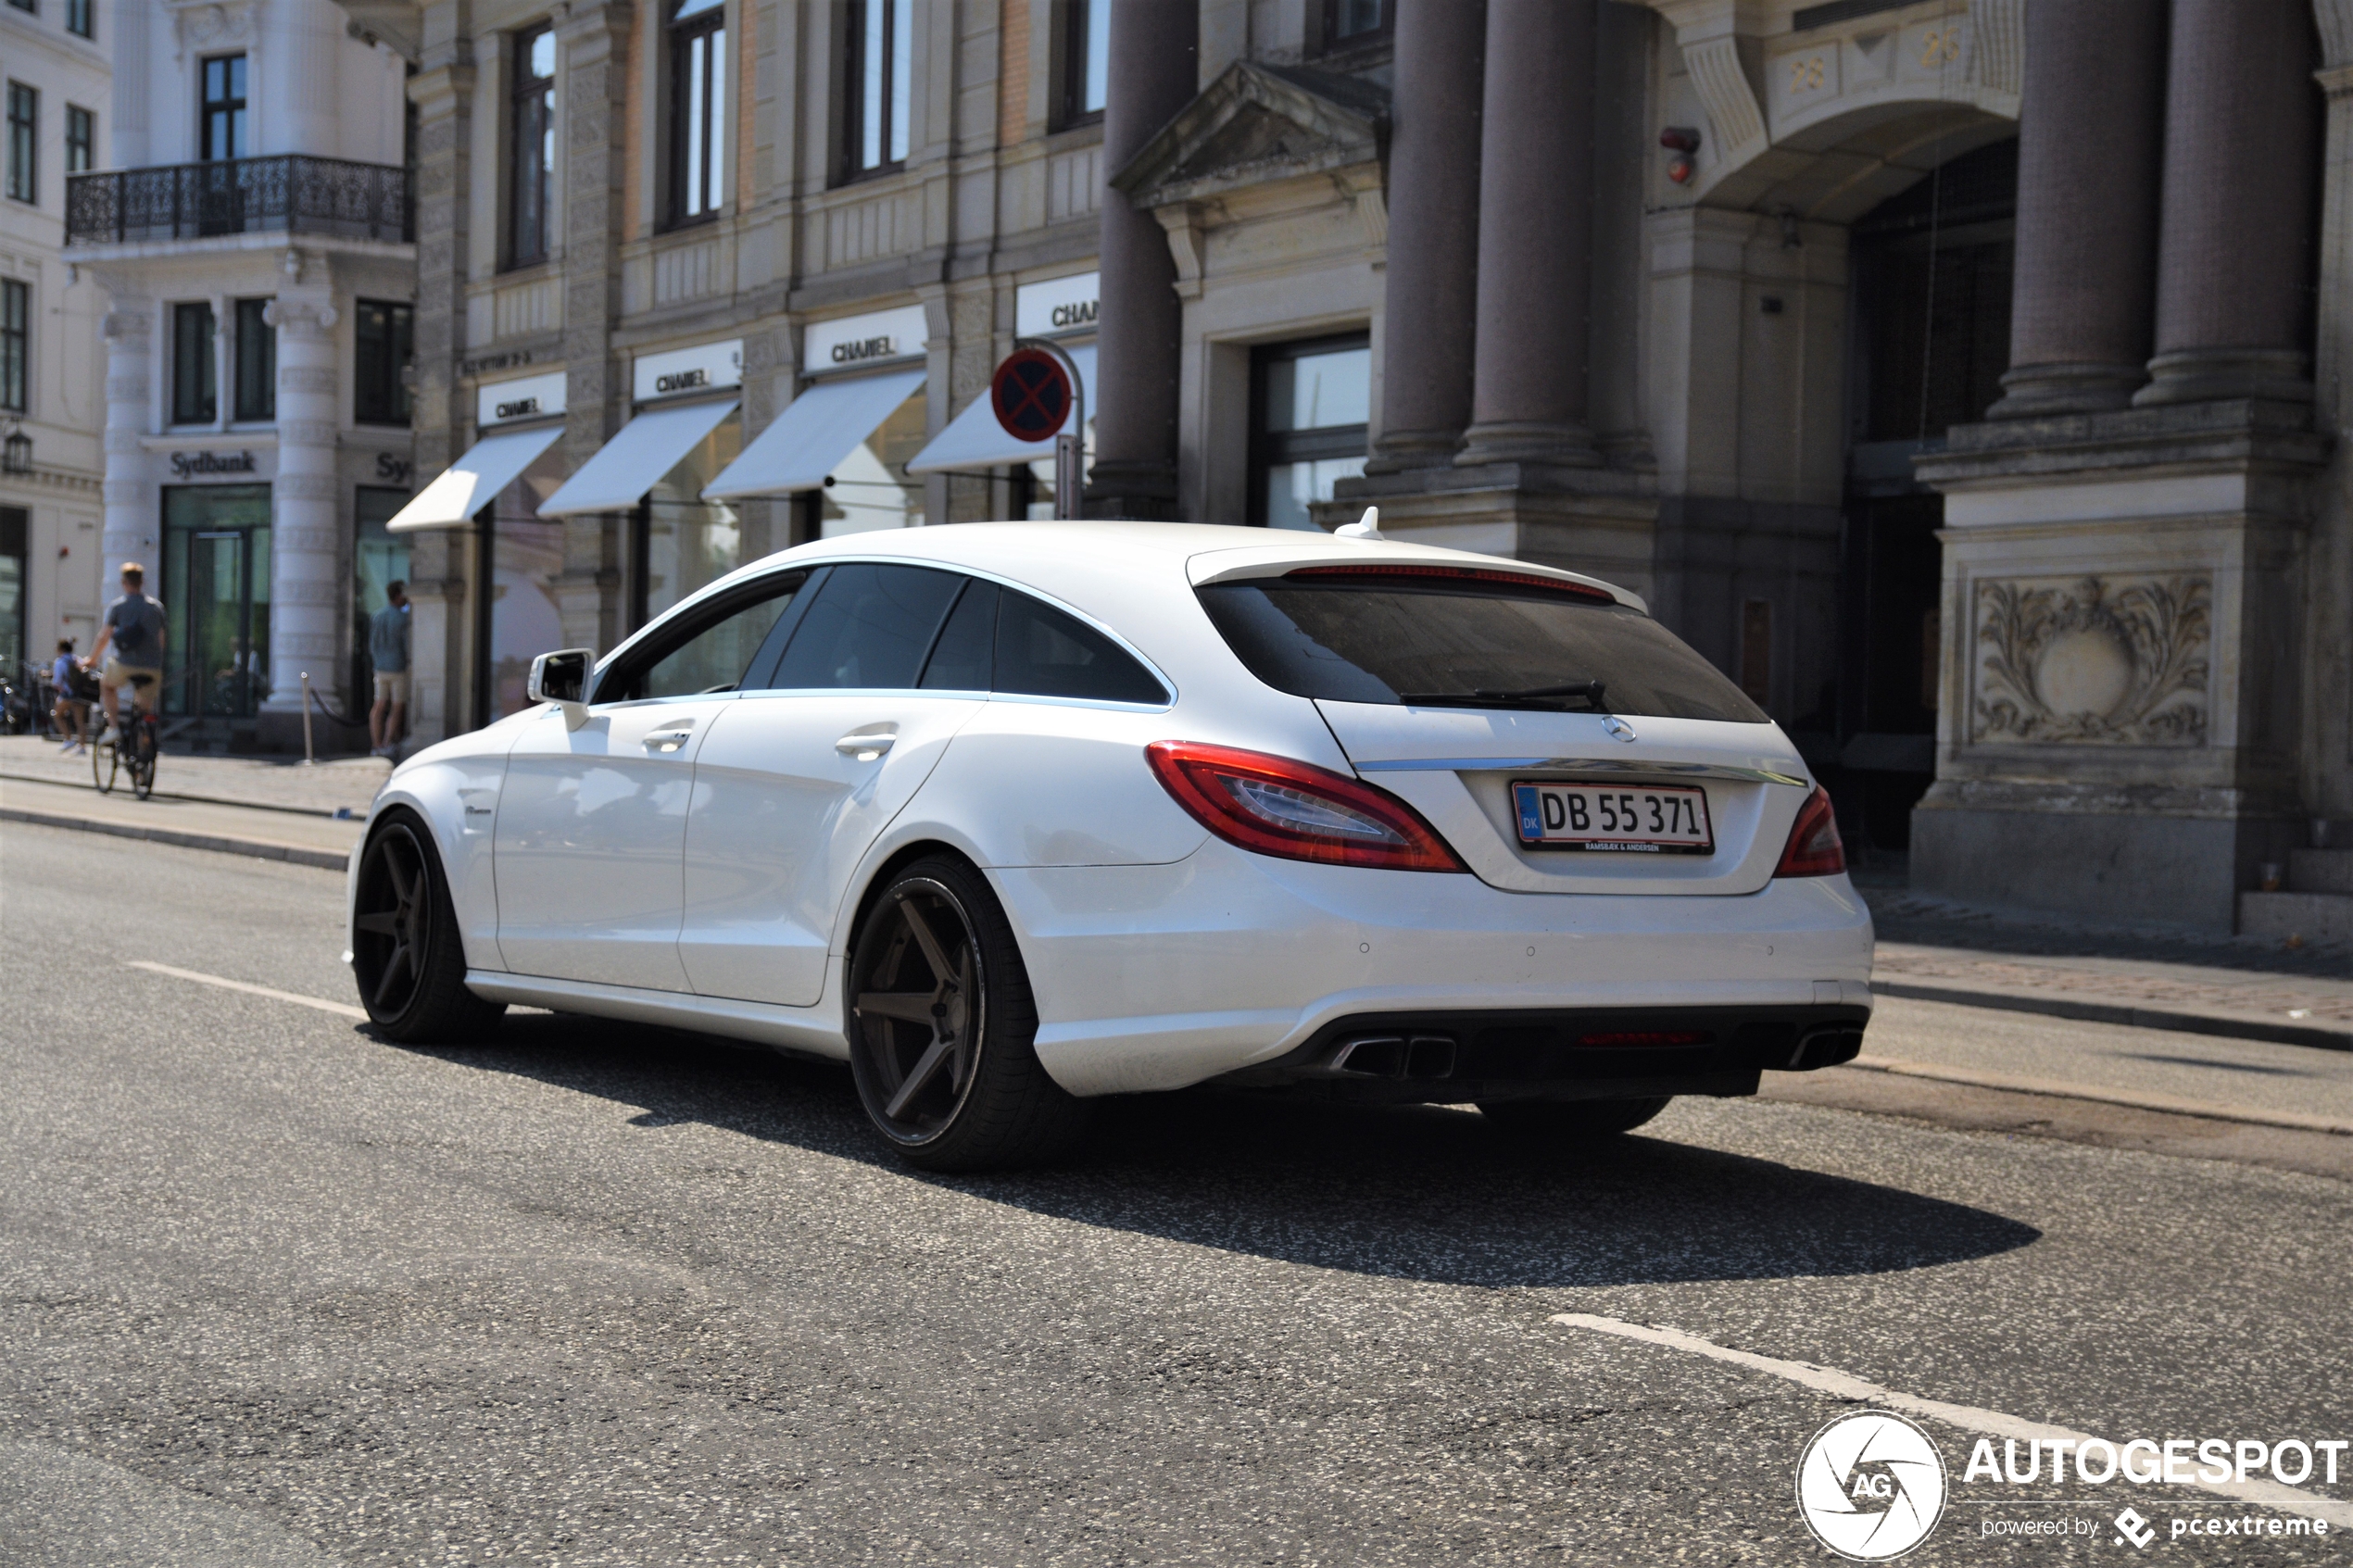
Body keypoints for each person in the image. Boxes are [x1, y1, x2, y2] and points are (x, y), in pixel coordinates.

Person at [86, 562, 166, 738]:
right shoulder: (156, 607)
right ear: (142, 582)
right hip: (152, 667)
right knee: (144, 711)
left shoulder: (118, 606)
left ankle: (114, 728)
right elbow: (161, 640)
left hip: (125, 664)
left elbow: (103, 636)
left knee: (106, 685)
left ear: (124, 583)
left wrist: (92, 659)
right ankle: (144, 750)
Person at [369, 580, 410, 759]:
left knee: (378, 706)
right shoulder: (403, 618)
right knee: (397, 706)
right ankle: (386, 743)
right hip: (397, 667)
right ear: (399, 595)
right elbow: (407, 644)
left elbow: (372, 643)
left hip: (380, 667)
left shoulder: (377, 616)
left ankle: (376, 745)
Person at [50, 637, 84, 755]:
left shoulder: (60, 662)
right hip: (80, 694)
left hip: (67, 694)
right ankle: (82, 746)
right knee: (80, 721)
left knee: (57, 714)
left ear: (60, 649)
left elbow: (56, 682)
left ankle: (68, 739)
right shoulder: (77, 660)